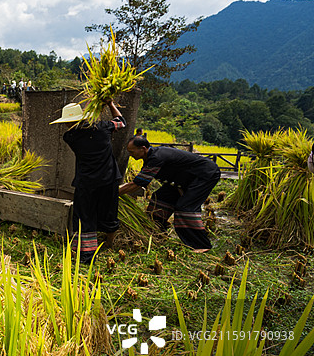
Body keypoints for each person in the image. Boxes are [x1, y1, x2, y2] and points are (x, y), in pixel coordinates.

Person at [53, 100, 125, 263]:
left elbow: (86, 129)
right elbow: (122, 122)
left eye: (66, 122)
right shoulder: (104, 128)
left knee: (84, 215)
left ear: (71, 122)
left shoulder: (70, 136)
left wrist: (95, 110)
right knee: (109, 211)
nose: (65, 126)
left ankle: (86, 251)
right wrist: (109, 104)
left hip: (86, 182)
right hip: (108, 179)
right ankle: (109, 243)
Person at [119, 137, 221, 252]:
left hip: (205, 175)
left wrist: (113, 194)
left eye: (132, 151)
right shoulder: (150, 158)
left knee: (185, 207)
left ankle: (201, 245)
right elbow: (140, 180)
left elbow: (137, 184)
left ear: (143, 149)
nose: (130, 154)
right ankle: (157, 232)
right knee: (161, 198)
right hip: (184, 180)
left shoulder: (157, 157)